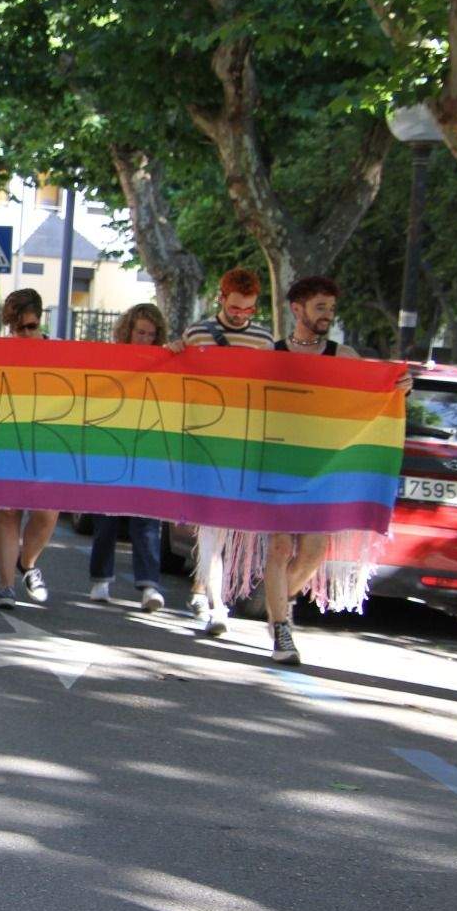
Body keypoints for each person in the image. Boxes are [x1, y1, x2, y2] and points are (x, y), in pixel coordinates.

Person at [255, 276, 411, 664]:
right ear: (297, 309)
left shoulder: (344, 356)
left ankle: (277, 601)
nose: (328, 315)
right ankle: (281, 630)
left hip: (323, 469)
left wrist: (399, 388)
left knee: (312, 553)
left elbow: (373, 394)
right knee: (278, 547)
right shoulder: (271, 353)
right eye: (320, 307)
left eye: (331, 309)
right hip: (276, 463)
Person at [175, 267, 276, 637]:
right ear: (222, 298)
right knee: (214, 529)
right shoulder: (198, 333)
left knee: (235, 533)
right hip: (206, 444)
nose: (240, 316)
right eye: (235, 308)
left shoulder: (265, 339)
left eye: (248, 310)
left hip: (246, 449)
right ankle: (219, 607)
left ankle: (211, 596)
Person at [88, 304, 170, 612]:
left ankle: (149, 586)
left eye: (151, 334)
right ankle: (100, 579)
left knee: (146, 520)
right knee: (106, 519)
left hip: (147, 449)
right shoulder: (110, 359)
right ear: (128, 331)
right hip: (110, 447)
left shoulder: (165, 362)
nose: (146, 339)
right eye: (140, 333)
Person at [0, 288, 58, 610]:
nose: (27, 334)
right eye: (20, 329)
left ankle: (27, 563)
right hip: (5, 440)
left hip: (46, 444)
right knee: (7, 512)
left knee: (46, 514)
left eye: (32, 327)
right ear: (10, 325)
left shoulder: (58, 352)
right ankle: (6, 587)